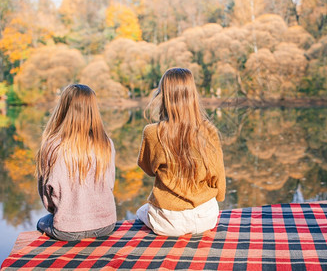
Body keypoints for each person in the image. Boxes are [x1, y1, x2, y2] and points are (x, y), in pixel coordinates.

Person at [136, 67, 226, 236]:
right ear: (193, 95)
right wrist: (219, 197)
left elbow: (148, 169)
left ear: (163, 96)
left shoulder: (152, 132)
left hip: (168, 222)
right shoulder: (209, 131)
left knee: (141, 211)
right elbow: (218, 177)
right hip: (205, 218)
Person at [36, 84, 117, 241]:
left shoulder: (52, 145)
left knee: (41, 222)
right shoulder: (105, 143)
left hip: (66, 229)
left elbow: (47, 196)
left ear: (63, 108)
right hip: (106, 225)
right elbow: (110, 184)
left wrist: (61, 211)